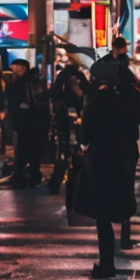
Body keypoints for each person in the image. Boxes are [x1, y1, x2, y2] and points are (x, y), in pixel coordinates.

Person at [75, 61, 140, 277]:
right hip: (125, 155)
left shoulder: (99, 99)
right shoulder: (132, 96)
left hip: (102, 157)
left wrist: (84, 147)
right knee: (123, 197)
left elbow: (85, 131)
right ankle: (125, 234)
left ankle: (107, 263)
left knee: (102, 212)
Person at [4, 58, 49, 187]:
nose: (13, 69)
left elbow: (12, 105)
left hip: (24, 122)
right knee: (35, 152)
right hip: (39, 123)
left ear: (22, 68)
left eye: (15, 67)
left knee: (21, 151)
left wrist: (13, 120)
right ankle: (33, 176)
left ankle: (19, 176)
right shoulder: (38, 82)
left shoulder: (18, 85)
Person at [48, 60, 89, 195]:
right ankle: (75, 183)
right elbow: (86, 92)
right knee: (75, 152)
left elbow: (54, 95)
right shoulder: (78, 77)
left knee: (63, 153)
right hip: (74, 121)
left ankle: (55, 183)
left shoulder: (61, 78)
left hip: (62, 121)